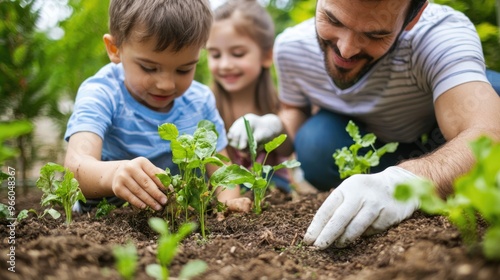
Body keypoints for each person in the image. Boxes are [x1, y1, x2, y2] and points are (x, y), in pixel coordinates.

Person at [227, 0, 500, 249]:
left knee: (493, 92)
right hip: (377, 146)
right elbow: (294, 114)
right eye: (333, 21)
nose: (346, 50)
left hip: (440, 140)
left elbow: (488, 133)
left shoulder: (441, 34)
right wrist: (275, 124)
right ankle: (374, 193)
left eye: (375, 35)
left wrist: (407, 182)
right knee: (314, 140)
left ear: (413, 17)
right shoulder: (292, 48)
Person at [64, 0, 251, 214]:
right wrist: (113, 174)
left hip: (179, 218)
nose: (166, 85)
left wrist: (228, 202)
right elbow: (75, 167)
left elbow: (221, 171)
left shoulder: (200, 100)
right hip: (106, 218)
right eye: (149, 68)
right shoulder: (102, 92)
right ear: (115, 49)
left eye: (184, 70)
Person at [206, 0, 293, 193]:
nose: (225, 64)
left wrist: (274, 125)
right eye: (215, 55)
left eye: (237, 54)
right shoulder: (206, 107)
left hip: (274, 193)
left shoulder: (279, 103)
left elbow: (288, 148)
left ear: (266, 56)